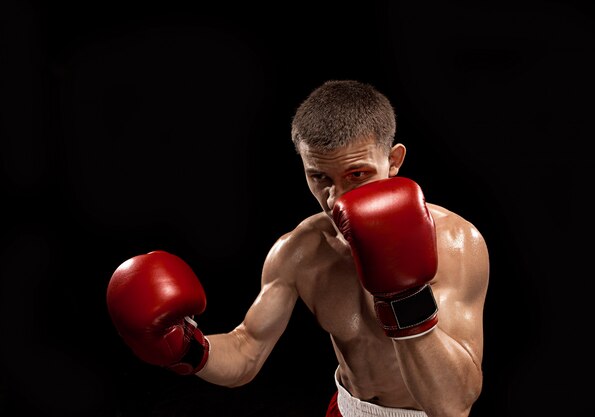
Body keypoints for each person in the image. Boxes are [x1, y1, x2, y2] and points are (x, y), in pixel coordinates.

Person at [107, 80, 490, 417]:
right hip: (346, 410)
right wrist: (186, 348)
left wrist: (404, 295)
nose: (336, 197)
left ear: (393, 161)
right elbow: (247, 350)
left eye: (357, 175)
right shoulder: (300, 250)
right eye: (319, 177)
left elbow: (451, 406)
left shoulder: (455, 242)